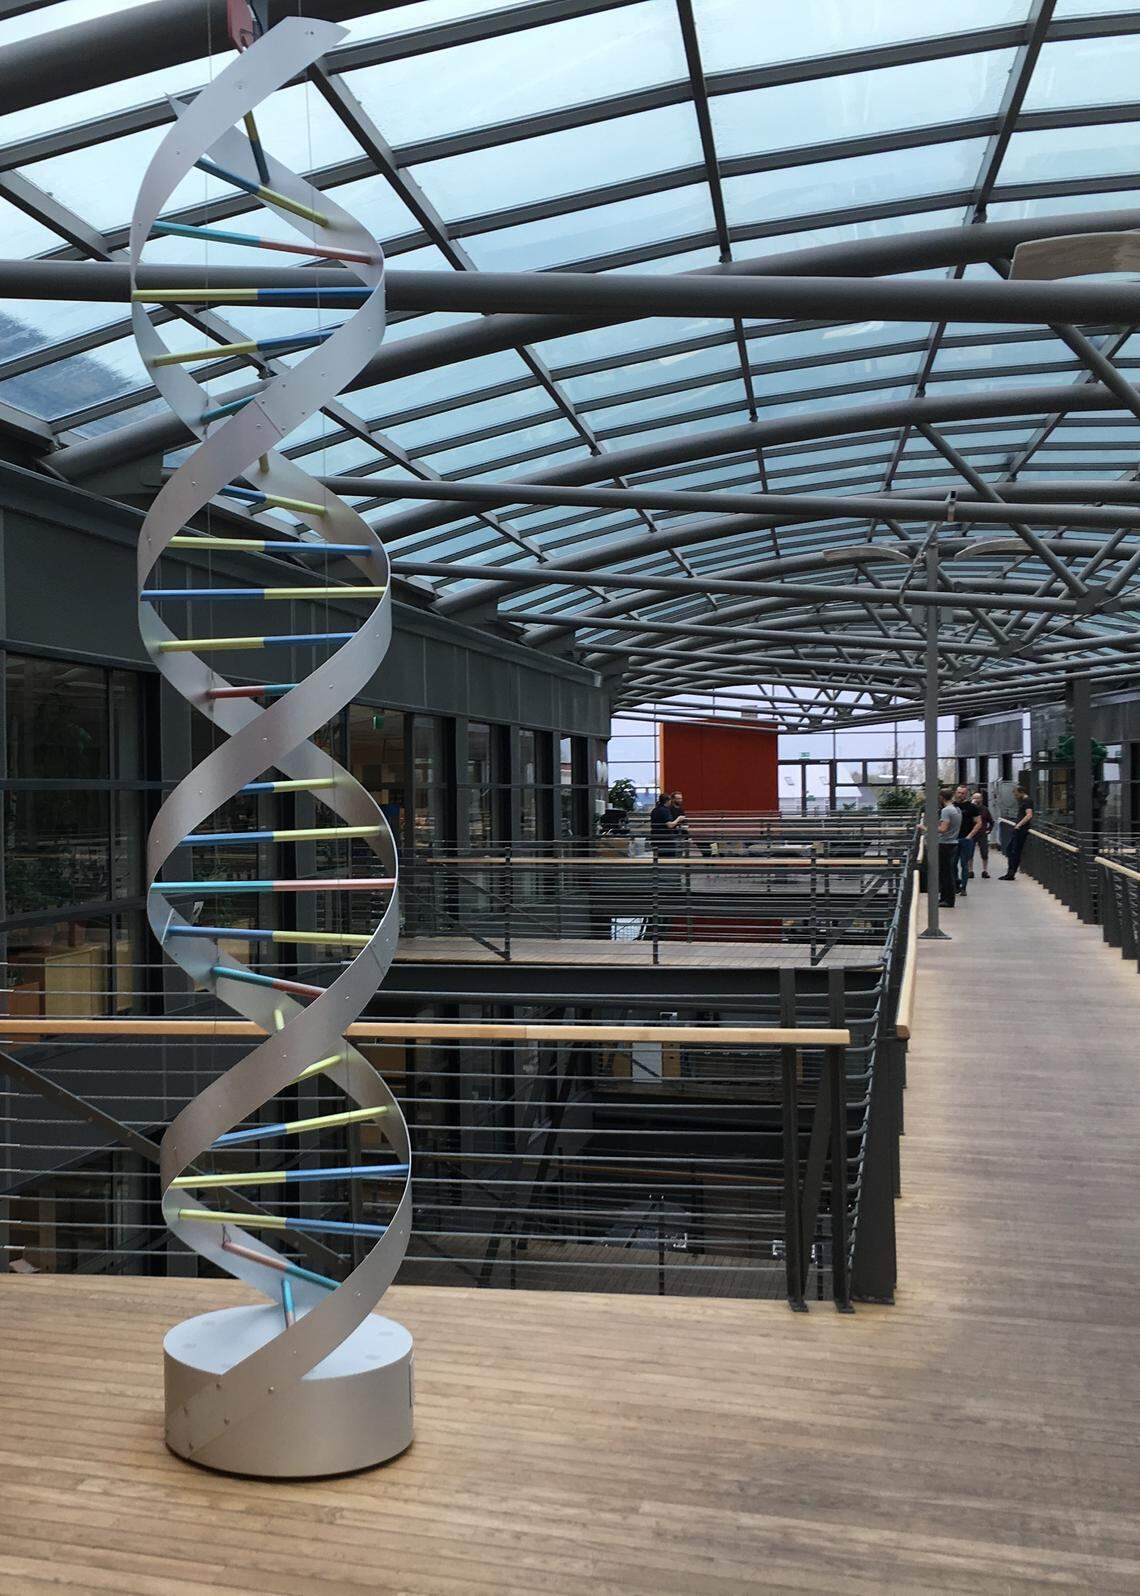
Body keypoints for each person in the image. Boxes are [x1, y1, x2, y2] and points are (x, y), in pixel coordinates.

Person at [953, 784, 983, 897]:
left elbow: (979, 822)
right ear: (956, 793)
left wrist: (970, 836)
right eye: (959, 792)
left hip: (966, 839)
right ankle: (956, 884)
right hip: (953, 839)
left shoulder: (972, 807)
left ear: (966, 794)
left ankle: (963, 887)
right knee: (953, 863)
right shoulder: (952, 806)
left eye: (963, 793)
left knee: (964, 864)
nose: (960, 795)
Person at [1000, 787, 1034, 880]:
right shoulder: (1023, 801)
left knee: (1014, 851)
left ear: (1021, 792)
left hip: (1021, 829)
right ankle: (1010, 872)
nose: (1015, 797)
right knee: (1010, 850)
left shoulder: (1027, 801)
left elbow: (1029, 814)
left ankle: (1011, 873)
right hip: (1019, 828)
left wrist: (1019, 825)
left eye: (1016, 794)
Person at [937, 787, 961, 907]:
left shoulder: (946, 810)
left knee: (945, 873)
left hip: (945, 844)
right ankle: (946, 898)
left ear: (941, 797)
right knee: (948, 872)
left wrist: (928, 828)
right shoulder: (957, 809)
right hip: (953, 843)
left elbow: (943, 829)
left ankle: (947, 899)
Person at [972, 791, 994, 879]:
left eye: (978, 798)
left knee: (984, 852)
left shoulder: (985, 809)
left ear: (981, 799)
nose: (976, 800)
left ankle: (985, 870)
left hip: (982, 833)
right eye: (974, 798)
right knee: (969, 853)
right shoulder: (970, 808)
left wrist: (989, 830)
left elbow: (991, 821)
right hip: (972, 832)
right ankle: (970, 870)